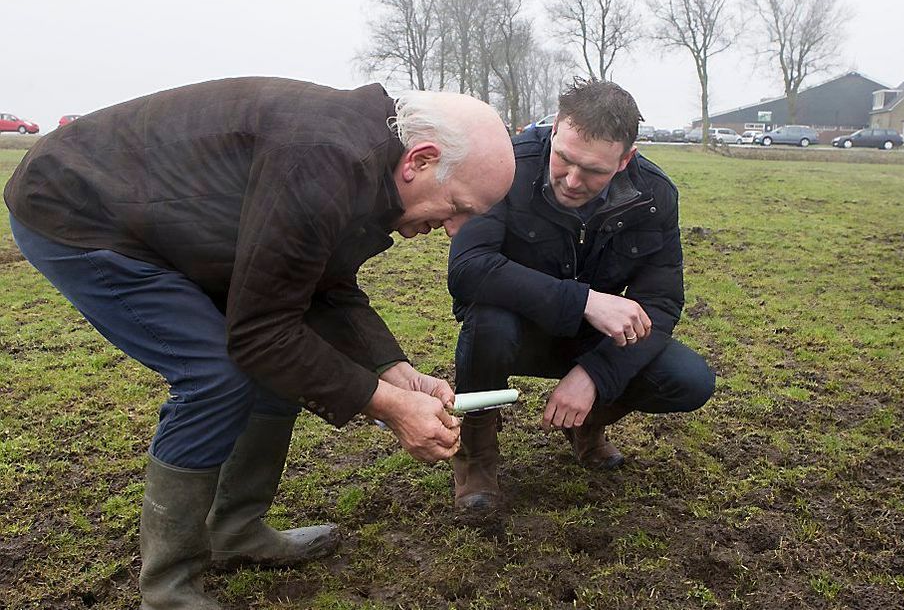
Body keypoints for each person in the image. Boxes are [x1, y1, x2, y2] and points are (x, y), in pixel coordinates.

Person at [4, 77, 514, 608]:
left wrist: (392, 370)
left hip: (166, 218)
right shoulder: (323, 158)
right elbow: (261, 332)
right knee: (214, 377)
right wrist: (389, 407)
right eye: (459, 206)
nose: (457, 230)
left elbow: (321, 282)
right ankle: (168, 588)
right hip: (78, 206)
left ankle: (237, 529)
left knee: (280, 363)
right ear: (421, 160)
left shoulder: (367, 165)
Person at [447, 79, 715, 511]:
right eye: (564, 159)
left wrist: (595, 374)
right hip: (512, 330)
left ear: (625, 159)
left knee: (688, 380)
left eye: (592, 170)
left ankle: (587, 423)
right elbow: (467, 269)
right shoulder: (505, 167)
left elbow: (661, 303)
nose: (571, 180)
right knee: (489, 321)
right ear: (554, 129)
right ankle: (476, 453)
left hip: (590, 336)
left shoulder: (654, 196)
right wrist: (587, 301)